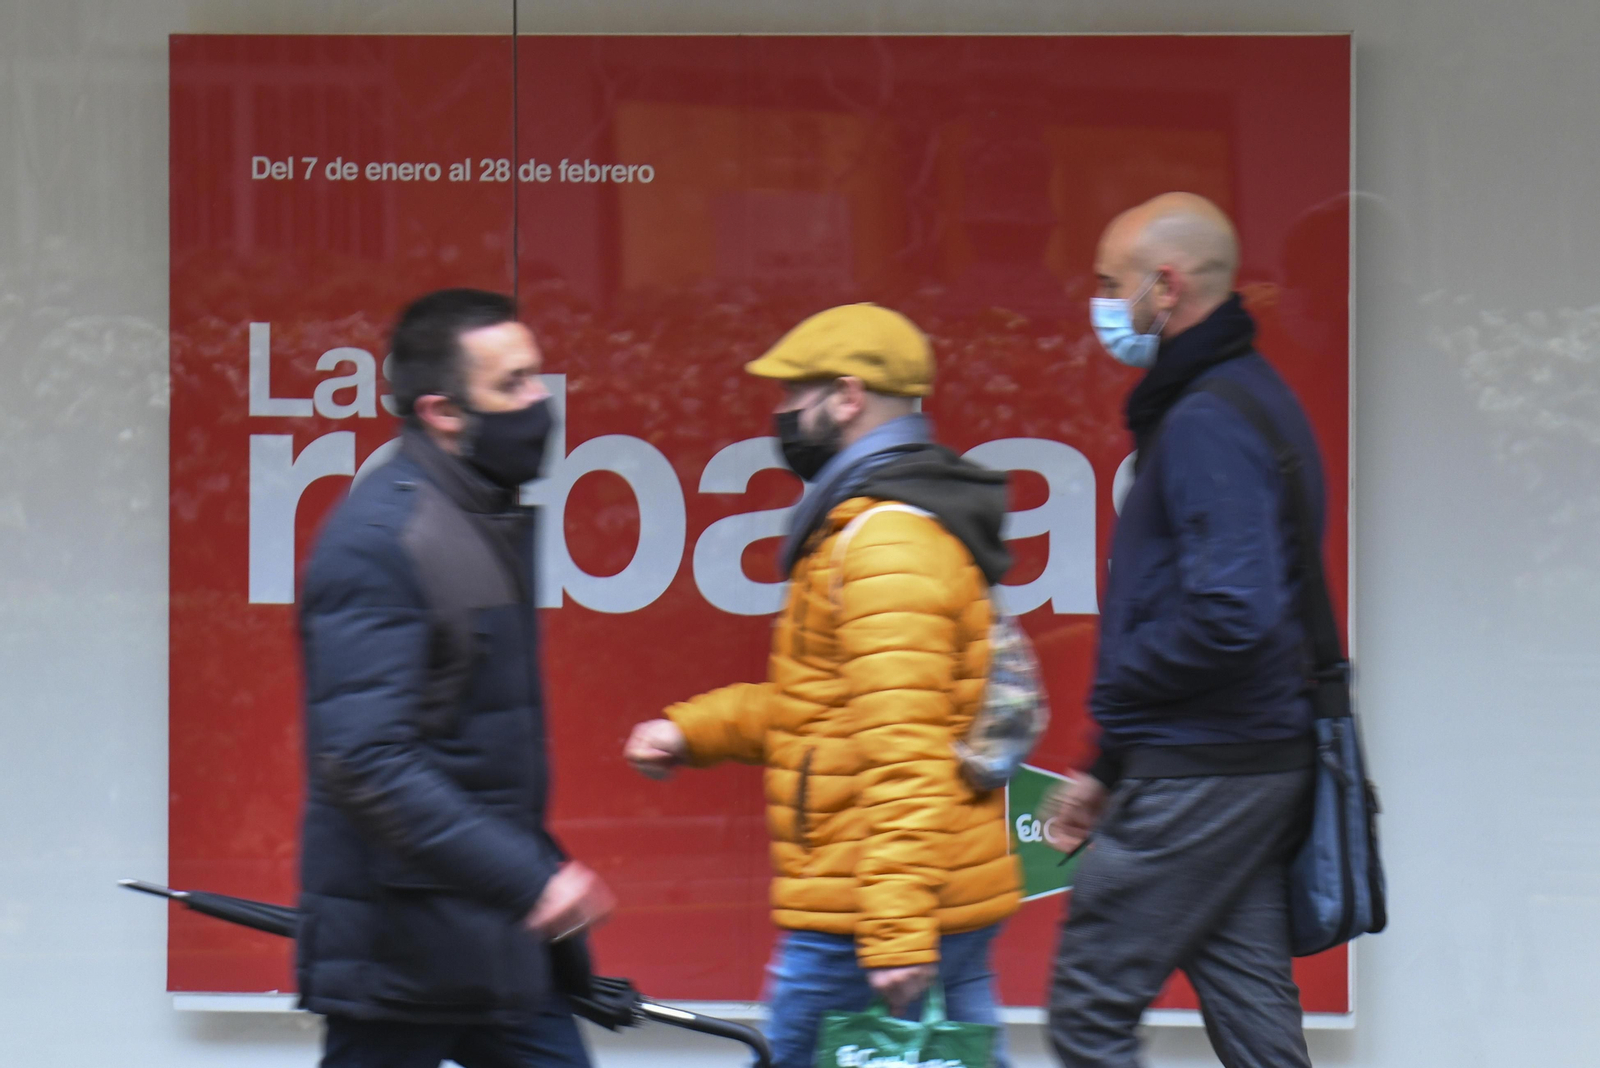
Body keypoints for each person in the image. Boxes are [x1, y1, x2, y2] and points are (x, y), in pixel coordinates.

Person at [624, 303, 1022, 1068]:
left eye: (790, 395)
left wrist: (897, 928)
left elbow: (905, 752)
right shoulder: (876, 527)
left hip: (863, 908)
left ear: (846, 395)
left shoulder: (884, 544)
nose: (779, 414)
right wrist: (694, 730)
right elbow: (830, 715)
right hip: (905, 894)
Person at [296, 289, 614, 1068]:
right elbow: (364, 761)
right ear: (441, 410)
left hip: (489, 938)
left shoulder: (478, 516)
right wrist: (530, 883)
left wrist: (525, 889)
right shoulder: (383, 542)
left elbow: (473, 749)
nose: (539, 402)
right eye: (512, 385)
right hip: (402, 952)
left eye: (538, 377)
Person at [1041, 193, 1323, 1068]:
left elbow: (1230, 614)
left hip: (1203, 767)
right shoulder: (1245, 398)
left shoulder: (1206, 419)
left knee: (1089, 1006)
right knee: (1255, 1020)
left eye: (1107, 283)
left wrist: (1119, 703)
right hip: (1244, 758)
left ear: (1164, 288)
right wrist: (1106, 763)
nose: (1097, 302)